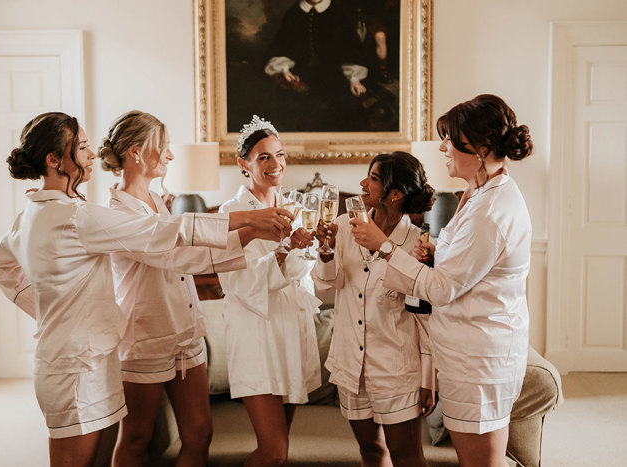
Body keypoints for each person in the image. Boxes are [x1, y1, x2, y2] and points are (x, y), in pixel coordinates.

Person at [0, 112, 293, 467]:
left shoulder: (65, 211)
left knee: (198, 434)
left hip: (163, 337)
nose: (89, 156)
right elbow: (166, 240)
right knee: (128, 441)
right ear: (54, 160)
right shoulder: (86, 216)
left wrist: (48, 310)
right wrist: (249, 221)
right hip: (116, 348)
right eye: (81, 147)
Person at [349, 94, 533, 467]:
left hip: (479, 361)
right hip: (466, 355)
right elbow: (468, 268)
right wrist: (437, 257)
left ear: (481, 147)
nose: (442, 146)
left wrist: (384, 246)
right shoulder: (478, 192)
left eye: (450, 138)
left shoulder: (492, 212)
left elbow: (442, 290)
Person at [98, 110, 276, 467]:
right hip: (146, 338)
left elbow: (189, 244)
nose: (170, 155)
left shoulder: (161, 200)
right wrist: (252, 225)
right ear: (136, 152)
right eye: (162, 146)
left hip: (186, 333)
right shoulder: (117, 216)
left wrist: (260, 231)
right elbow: (182, 256)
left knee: (199, 434)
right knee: (135, 438)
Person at [311, 152, 435, 467]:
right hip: (352, 366)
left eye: (374, 179)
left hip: (397, 369)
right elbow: (328, 284)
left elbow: (425, 318)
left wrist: (428, 376)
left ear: (395, 195)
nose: (363, 183)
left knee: (407, 457)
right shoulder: (343, 225)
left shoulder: (417, 245)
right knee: (370, 451)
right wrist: (325, 250)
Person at [217, 115, 322, 467]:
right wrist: (283, 249)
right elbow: (237, 281)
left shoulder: (296, 207)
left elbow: (305, 271)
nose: (276, 164)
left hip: (290, 329)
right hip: (256, 334)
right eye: (264, 157)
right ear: (243, 164)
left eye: (280, 154)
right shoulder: (230, 213)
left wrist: (315, 248)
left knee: (282, 449)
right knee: (273, 450)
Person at [263, 0, 368, 131]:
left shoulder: (339, 14)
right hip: (300, 74)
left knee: (342, 107)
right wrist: (285, 69)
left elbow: (351, 49)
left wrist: (354, 79)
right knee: (289, 107)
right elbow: (282, 44)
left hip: (334, 75)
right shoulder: (293, 14)